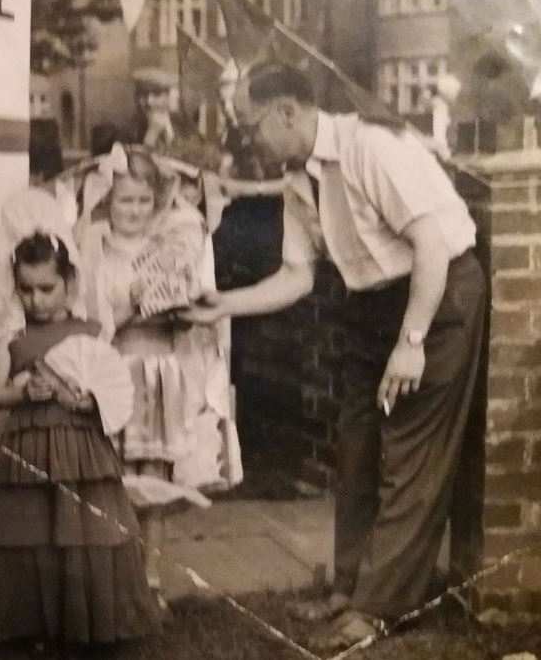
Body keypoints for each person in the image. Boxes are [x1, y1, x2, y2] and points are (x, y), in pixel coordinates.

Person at [180, 61, 486, 650]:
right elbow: (297, 275)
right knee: (357, 445)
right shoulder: (299, 178)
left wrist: (412, 342)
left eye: (251, 126)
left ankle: (380, 609)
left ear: (287, 112)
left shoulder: (373, 145)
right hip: (373, 306)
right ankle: (349, 586)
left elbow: (431, 244)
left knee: (411, 458)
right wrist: (222, 305)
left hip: (436, 295)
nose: (248, 141)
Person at [76, 144, 240, 610]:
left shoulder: (166, 251)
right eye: (125, 201)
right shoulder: (99, 249)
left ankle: (150, 579)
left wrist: (178, 309)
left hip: (161, 374)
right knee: (116, 476)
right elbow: (94, 317)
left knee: (157, 482)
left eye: (144, 202)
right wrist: (131, 303)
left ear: (157, 203)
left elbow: (191, 317)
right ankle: (114, 573)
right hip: (118, 371)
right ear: (109, 201)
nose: (134, 211)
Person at [0, 232, 159, 653]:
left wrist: (87, 400)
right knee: (33, 529)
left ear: (70, 284)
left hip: (81, 448)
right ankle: (35, 625)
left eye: (47, 288)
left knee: (85, 529)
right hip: (30, 447)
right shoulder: (11, 338)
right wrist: (22, 392)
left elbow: (108, 385)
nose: (36, 300)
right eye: (26, 289)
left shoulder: (92, 332)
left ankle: (88, 620)